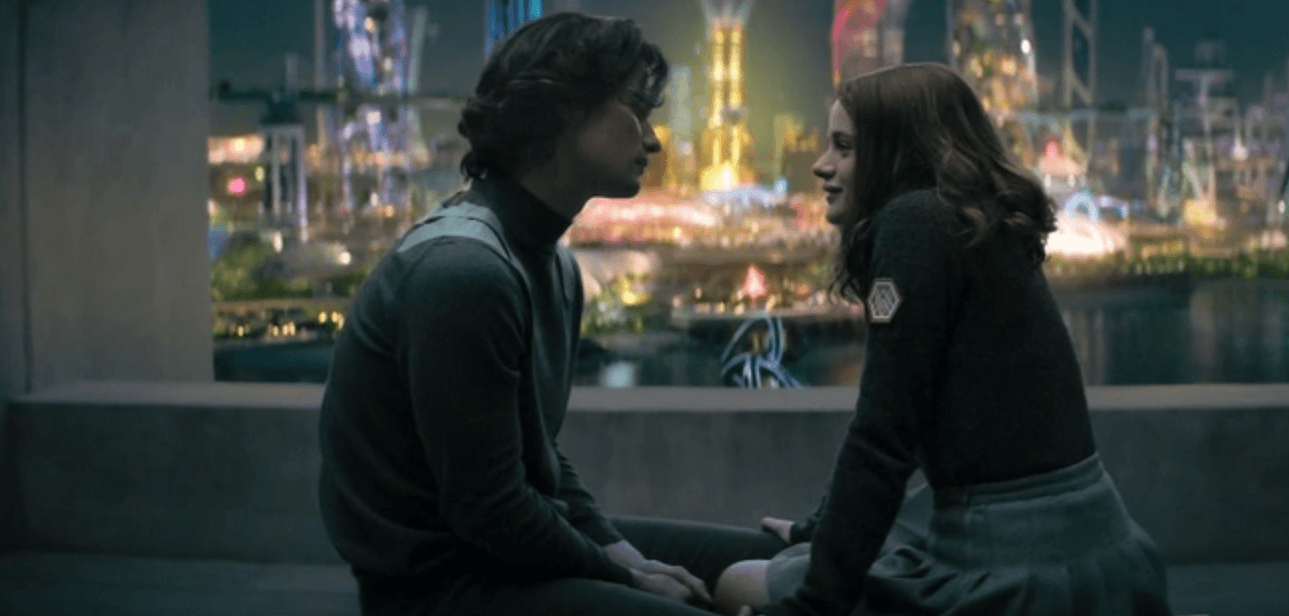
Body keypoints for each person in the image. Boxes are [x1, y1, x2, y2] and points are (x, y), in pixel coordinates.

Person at [317, 12, 786, 616]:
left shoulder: (552, 264)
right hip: (442, 587)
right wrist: (627, 576)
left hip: (501, 553)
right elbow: (488, 509)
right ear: (562, 111)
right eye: (634, 111)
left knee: (782, 566)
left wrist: (624, 556)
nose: (652, 141)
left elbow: (534, 460)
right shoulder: (464, 273)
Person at [711, 63, 1173, 616]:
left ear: (895, 153)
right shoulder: (976, 223)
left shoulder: (914, 221)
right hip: (1100, 557)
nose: (821, 164)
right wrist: (821, 532)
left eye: (844, 147)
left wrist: (815, 604)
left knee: (735, 583)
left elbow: (882, 436)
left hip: (1016, 575)